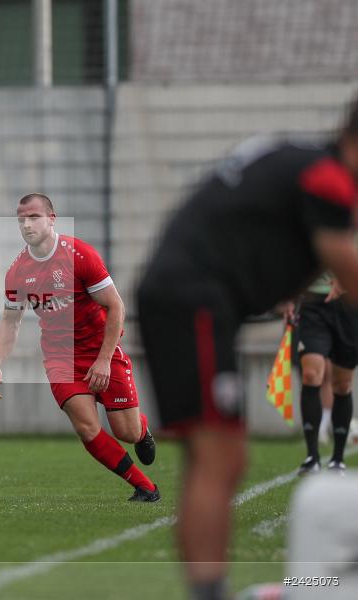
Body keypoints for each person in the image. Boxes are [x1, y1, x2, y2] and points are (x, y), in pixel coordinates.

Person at [136, 98, 358, 600]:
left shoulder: (304, 163)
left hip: (187, 295)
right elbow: (346, 266)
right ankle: (209, 591)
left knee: (215, 457)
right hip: (195, 300)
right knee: (220, 455)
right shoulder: (327, 178)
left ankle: (208, 590)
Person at [0, 193, 159, 501]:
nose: (27, 224)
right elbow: (11, 321)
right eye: (21, 219)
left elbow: (116, 307)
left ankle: (142, 431)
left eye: (34, 217)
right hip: (60, 358)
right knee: (86, 427)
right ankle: (145, 486)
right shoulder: (18, 272)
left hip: (101, 350)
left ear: (52, 219)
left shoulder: (79, 255)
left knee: (126, 432)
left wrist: (104, 360)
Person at [285, 273, 356, 475]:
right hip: (311, 302)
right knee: (311, 374)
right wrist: (289, 296)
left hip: (349, 302)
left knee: (342, 384)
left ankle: (337, 459)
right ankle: (312, 457)